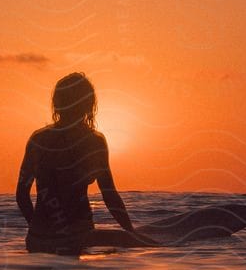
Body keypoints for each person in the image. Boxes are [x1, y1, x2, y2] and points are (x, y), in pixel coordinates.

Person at [15, 72, 154, 254]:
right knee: (151, 248)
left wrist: (37, 229)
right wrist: (131, 233)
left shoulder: (38, 139)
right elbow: (109, 195)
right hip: (79, 236)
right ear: (89, 106)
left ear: (57, 104)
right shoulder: (94, 142)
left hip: (38, 239)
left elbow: (22, 194)